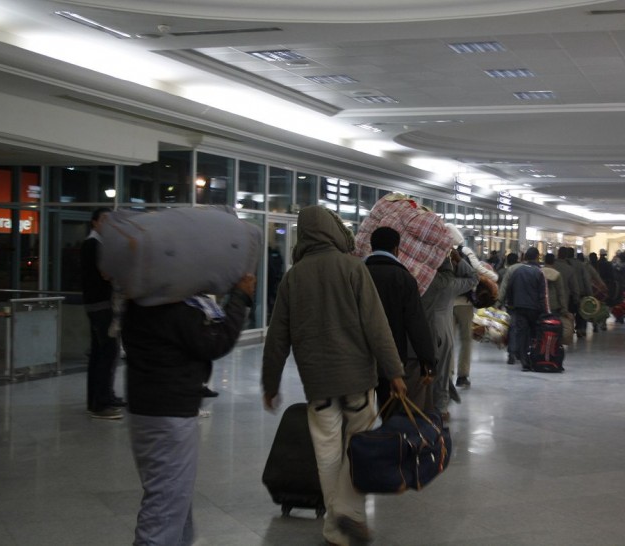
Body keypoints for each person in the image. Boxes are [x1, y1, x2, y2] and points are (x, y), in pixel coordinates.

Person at [261, 205, 407, 546]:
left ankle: (335, 526)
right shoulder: (352, 267)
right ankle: (347, 512)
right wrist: (395, 371)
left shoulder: (293, 277)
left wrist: (270, 383)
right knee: (358, 448)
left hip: (318, 383)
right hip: (357, 379)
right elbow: (376, 325)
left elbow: (277, 337)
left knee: (326, 451)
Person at [123, 272, 255, 546]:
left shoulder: (139, 301)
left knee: (173, 498)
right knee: (165, 504)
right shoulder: (175, 308)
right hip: (170, 414)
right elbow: (215, 342)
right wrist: (240, 297)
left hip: (146, 409)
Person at [364, 226, 436, 410]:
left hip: (359, 357)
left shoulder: (358, 273)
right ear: (397, 248)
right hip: (392, 359)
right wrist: (427, 361)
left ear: (371, 246)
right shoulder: (403, 278)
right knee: (390, 411)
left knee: (358, 417)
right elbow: (416, 323)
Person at [420, 250, 478, 420]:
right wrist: (459, 260)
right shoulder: (449, 283)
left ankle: (422, 404)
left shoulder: (420, 279)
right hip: (442, 330)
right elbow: (474, 278)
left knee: (422, 369)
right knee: (443, 371)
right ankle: (441, 408)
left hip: (421, 329)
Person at [80, 207, 124, 420]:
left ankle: (102, 397)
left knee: (101, 353)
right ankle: (101, 403)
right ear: (94, 222)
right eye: (104, 220)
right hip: (100, 305)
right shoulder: (94, 245)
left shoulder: (97, 244)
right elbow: (106, 274)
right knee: (107, 353)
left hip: (99, 304)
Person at [445, 223, 497, 389]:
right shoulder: (465, 252)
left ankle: (447, 375)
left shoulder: (440, 253)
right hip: (464, 304)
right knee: (466, 340)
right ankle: (462, 375)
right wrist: (491, 277)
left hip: (445, 304)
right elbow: (480, 271)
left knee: (448, 342)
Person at [505, 247, 547, 371]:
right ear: (537, 257)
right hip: (534, 308)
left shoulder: (517, 271)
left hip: (519, 307)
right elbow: (543, 294)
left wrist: (511, 303)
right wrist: (545, 310)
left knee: (522, 333)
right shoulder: (539, 272)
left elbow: (509, 288)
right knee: (534, 334)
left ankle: (524, 361)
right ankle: (533, 357)